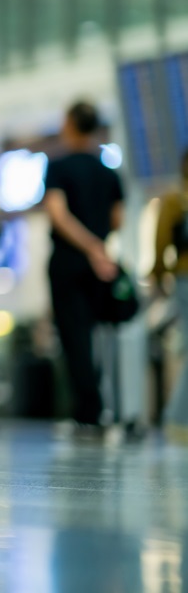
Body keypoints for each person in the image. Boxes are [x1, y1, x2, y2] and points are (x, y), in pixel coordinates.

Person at [44, 100, 125, 433]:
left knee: (73, 337)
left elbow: (58, 214)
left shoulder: (58, 166)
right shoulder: (109, 171)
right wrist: (99, 247)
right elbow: (117, 218)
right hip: (101, 264)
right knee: (94, 334)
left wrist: (87, 246)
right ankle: (98, 406)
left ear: (70, 124)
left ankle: (88, 411)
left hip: (68, 260)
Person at [152, 149, 188, 438]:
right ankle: (176, 418)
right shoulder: (175, 200)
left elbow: (161, 240)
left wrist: (159, 275)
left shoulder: (175, 199)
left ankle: (176, 418)